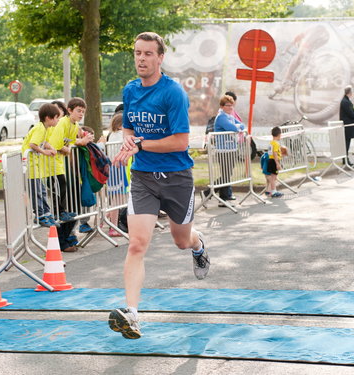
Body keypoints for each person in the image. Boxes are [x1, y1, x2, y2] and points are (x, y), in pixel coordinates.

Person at [108, 32, 210, 339]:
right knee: (137, 244)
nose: (141, 58)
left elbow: (179, 142)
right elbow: (129, 127)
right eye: (137, 53)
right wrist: (129, 141)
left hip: (177, 177)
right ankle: (132, 314)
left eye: (148, 54)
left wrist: (140, 143)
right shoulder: (130, 90)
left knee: (182, 240)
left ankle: (199, 245)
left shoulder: (173, 93)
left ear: (160, 58)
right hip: (143, 178)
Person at [47, 97, 94, 252]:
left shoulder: (75, 125)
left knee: (74, 206)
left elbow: (72, 142)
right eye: (78, 111)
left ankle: (67, 239)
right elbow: (56, 144)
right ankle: (62, 241)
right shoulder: (62, 123)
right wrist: (76, 144)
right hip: (56, 170)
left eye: (83, 112)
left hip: (68, 170)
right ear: (69, 110)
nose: (81, 114)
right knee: (63, 208)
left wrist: (82, 140)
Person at [22, 103, 60, 227]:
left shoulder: (45, 128)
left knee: (42, 190)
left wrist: (51, 148)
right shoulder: (39, 128)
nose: (58, 120)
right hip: (30, 165)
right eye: (56, 118)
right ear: (48, 118)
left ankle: (46, 213)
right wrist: (45, 152)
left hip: (36, 165)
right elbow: (33, 144)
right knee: (36, 191)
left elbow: (44, 142)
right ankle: (39, 215)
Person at [202, 94, 245, 206]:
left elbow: (241, 125)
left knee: (227, 174)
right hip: (223, 150)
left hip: (231, 149)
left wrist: (238, 127)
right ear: (222, 106)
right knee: (225, 175)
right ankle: (208, 193)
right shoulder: (221, 117)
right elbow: (233, 128)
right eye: (228, 105)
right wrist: (237, 128)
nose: (231, 108)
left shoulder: (229, 116)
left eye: (232, 105)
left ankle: (222, 198)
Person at [339, 85, 354, 166]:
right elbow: (351, 114)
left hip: (348, 126)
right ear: (349, 93)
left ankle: (345, 160)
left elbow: (352, 112)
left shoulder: (346, 101)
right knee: (346, 144)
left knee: (347, 143)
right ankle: (345, 160)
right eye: (351, 92)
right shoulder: (345, 102)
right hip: (348, 126)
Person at [265, 126, 284, 198]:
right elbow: (275, 153)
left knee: (273, 177)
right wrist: (277, 163)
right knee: (273, 177)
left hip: (270, 160)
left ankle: (270, 190)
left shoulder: (271, 142)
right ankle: (273, 191)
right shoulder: (276, 143)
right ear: (279, 135)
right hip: (274, 161)